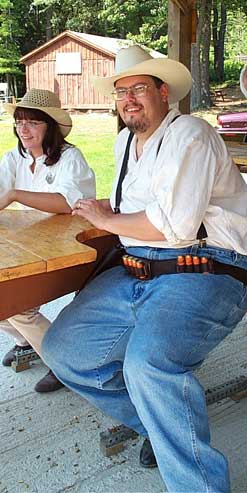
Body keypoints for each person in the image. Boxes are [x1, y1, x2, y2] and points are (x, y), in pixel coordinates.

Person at [41, 45, 247, 491]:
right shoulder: (124, 141)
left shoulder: (190, 133)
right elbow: (138, 207)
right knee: (63, 351)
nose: (129, 99)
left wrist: (106, 220)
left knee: (149, 364)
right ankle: (161, 425)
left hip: (205, 268)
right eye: (121, 92)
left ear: (164, 92)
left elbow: (175, 226)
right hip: (138, 269)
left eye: (139, 89)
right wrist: (106, 207)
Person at [0, 88, 95, 393]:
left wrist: (15, 194)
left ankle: (63, 362)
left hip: (71, 249)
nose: (23, 129)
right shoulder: (15, 157)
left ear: (50, 126)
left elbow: (66, 204)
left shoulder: (70, 158)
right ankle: (26, 341)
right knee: (6, 300)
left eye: (32, 123)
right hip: (32, 244)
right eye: (19, 122)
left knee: (16, 305)